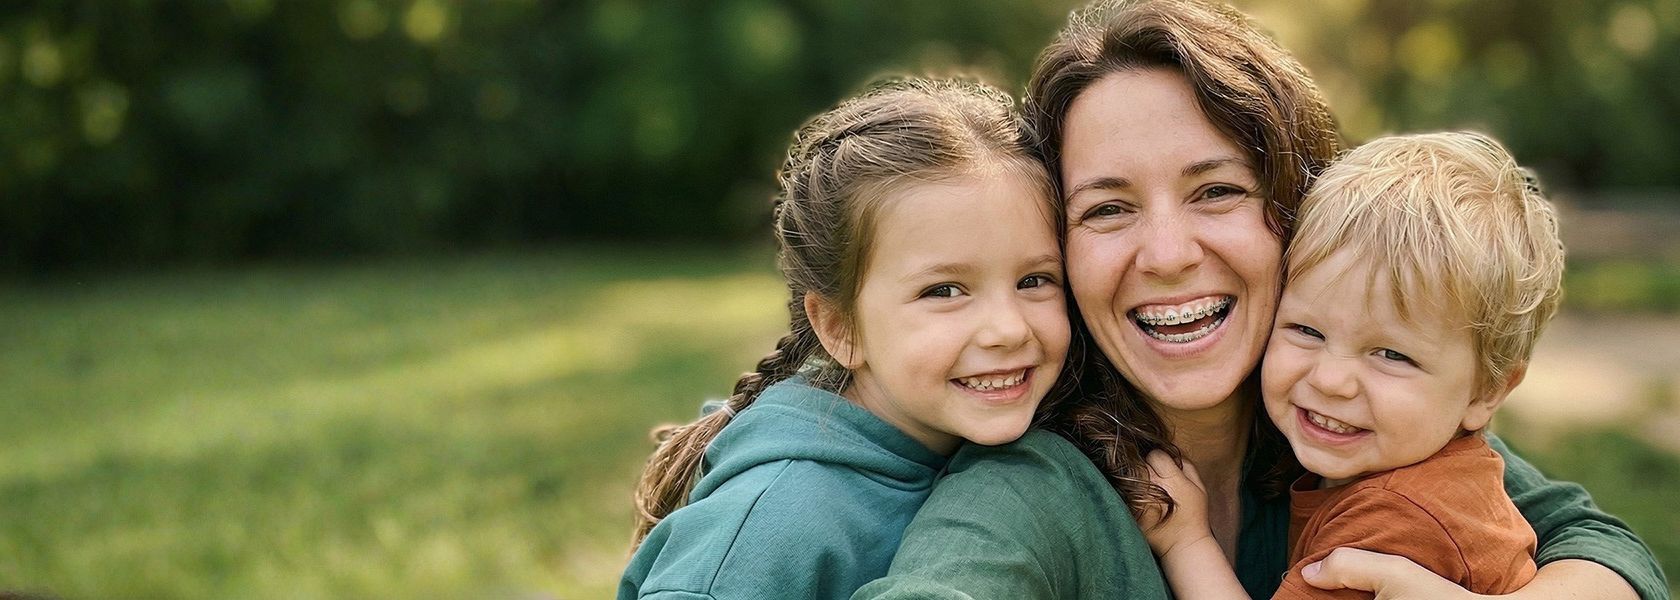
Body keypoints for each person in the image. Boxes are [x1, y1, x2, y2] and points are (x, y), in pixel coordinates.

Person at [855, 1, 1668, 599]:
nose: (1169, 255)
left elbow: (1599, 540)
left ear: (1296, 214)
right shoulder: (1035, 488)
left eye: (1216, 191)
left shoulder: (1336, 424)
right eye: (1107, 207)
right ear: (1055, 250)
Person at [618, 77, 1073, 600]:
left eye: (1034, 280)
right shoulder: (776, 523)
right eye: (944, 290)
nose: (1008, 329)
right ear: (838, 327)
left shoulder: (959, 437)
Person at [1144, 131, 1561, 599]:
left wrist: (1186, 541)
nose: (1330, 380)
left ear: (1487, 393)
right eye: (1307, 331)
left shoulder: (1396, 520)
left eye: (1391, 355)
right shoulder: (1438, 472)